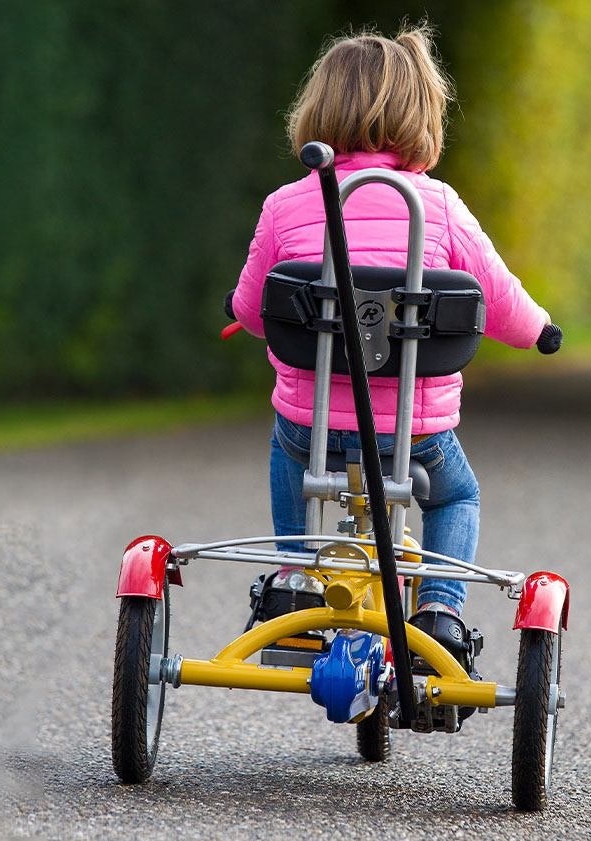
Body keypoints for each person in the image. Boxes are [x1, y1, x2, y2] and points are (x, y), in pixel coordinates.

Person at [229, 24, 558, 661]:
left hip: (313, 428)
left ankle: (293, 585)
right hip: (412, 436)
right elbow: (498, 297)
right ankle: (439, 611)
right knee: (458, 494)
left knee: (287, 449)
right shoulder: (437, 207)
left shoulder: (286, 205)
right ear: (420, 114)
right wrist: (540, 331)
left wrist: (237, 312)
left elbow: (252, 308)